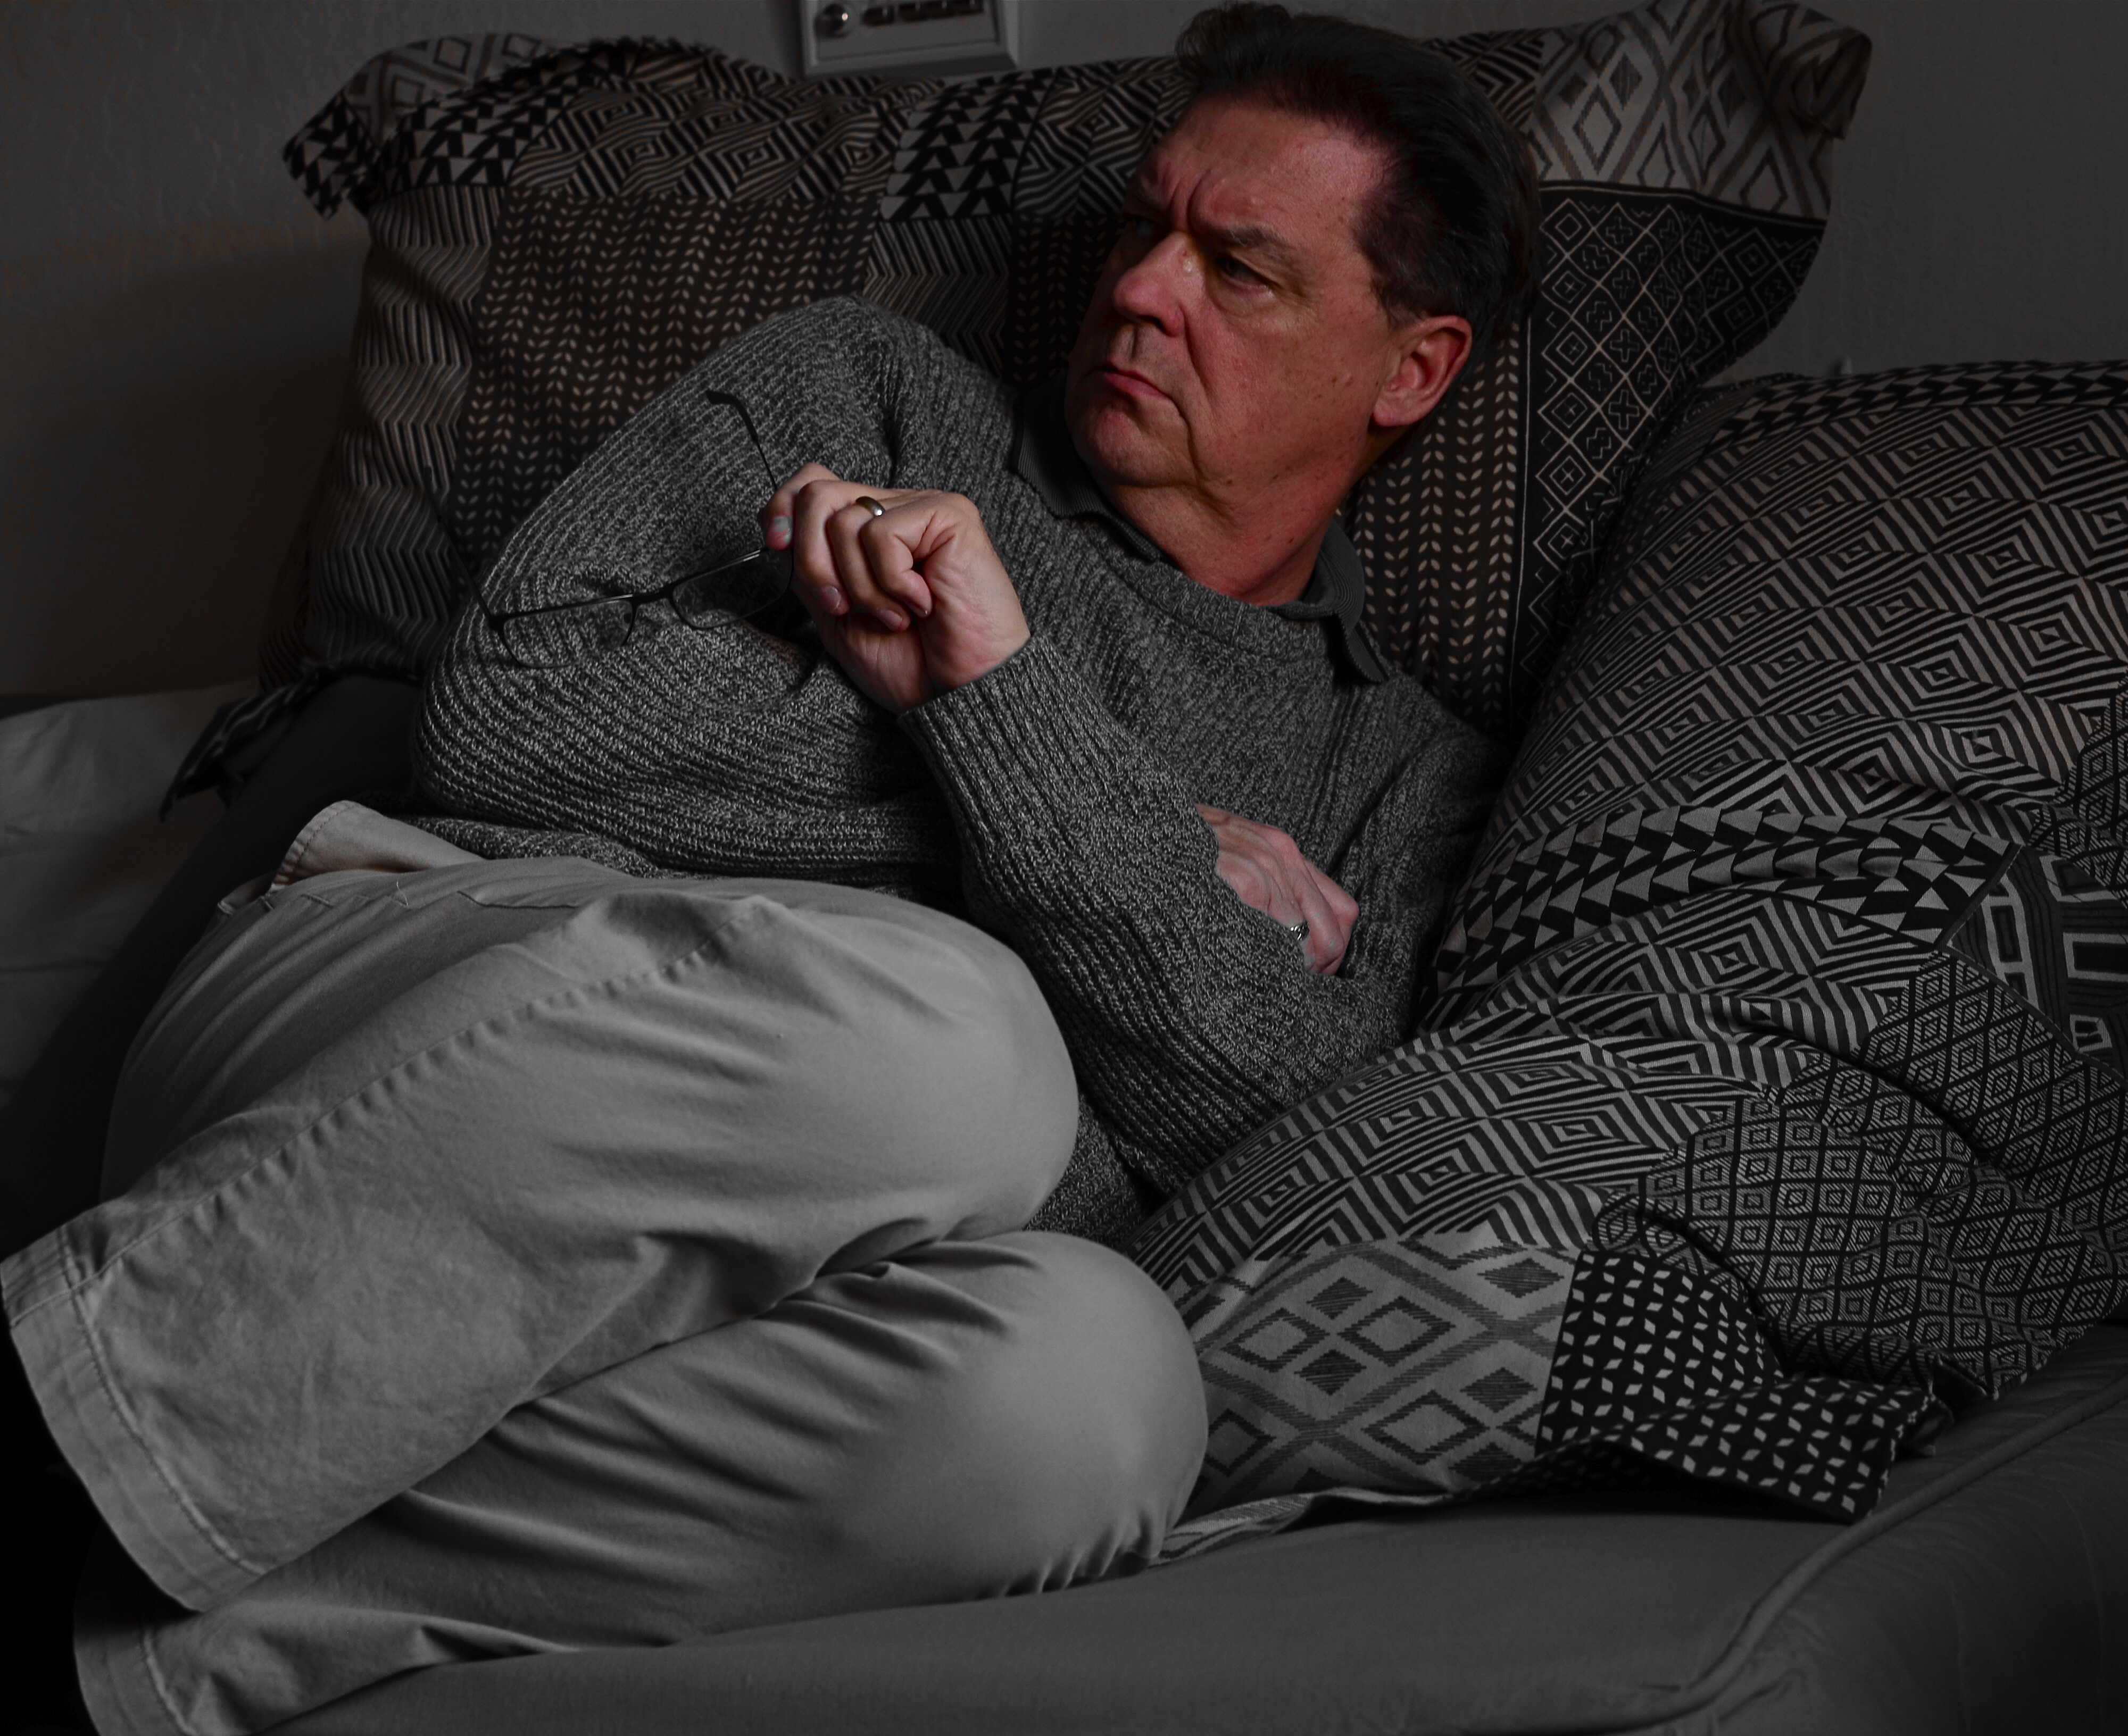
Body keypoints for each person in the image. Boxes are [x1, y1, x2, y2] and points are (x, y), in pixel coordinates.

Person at [2, 8, 1533, 1730]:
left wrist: (993, 700)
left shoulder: (1398, 772)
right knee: (959, 1037)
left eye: (1238, 268)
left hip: (808, 1275)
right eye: (1141, 226)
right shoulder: (867, 398)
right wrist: (1136, 831)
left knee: (1102, 1401)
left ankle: (123, 1659)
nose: (1141, 290)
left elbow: (1267, 1113)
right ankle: (57, 1408)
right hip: (399, 1020)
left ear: (1411, 369)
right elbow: (511, 713)